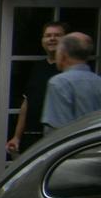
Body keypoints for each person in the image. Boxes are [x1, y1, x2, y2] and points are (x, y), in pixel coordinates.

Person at [6, 22, 66, 154]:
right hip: (32, 136)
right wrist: (17, 137)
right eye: (48, 35)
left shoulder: (68, 70)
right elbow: (27, 103)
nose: (52, 39)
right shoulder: (37, 67)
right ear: (42, 40)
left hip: (58, 138)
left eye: (57, 35)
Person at [41, 32, 101, 133]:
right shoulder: (98, 81)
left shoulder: (59, 82)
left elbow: (57, 130)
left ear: (63, 54)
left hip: (73, 146)